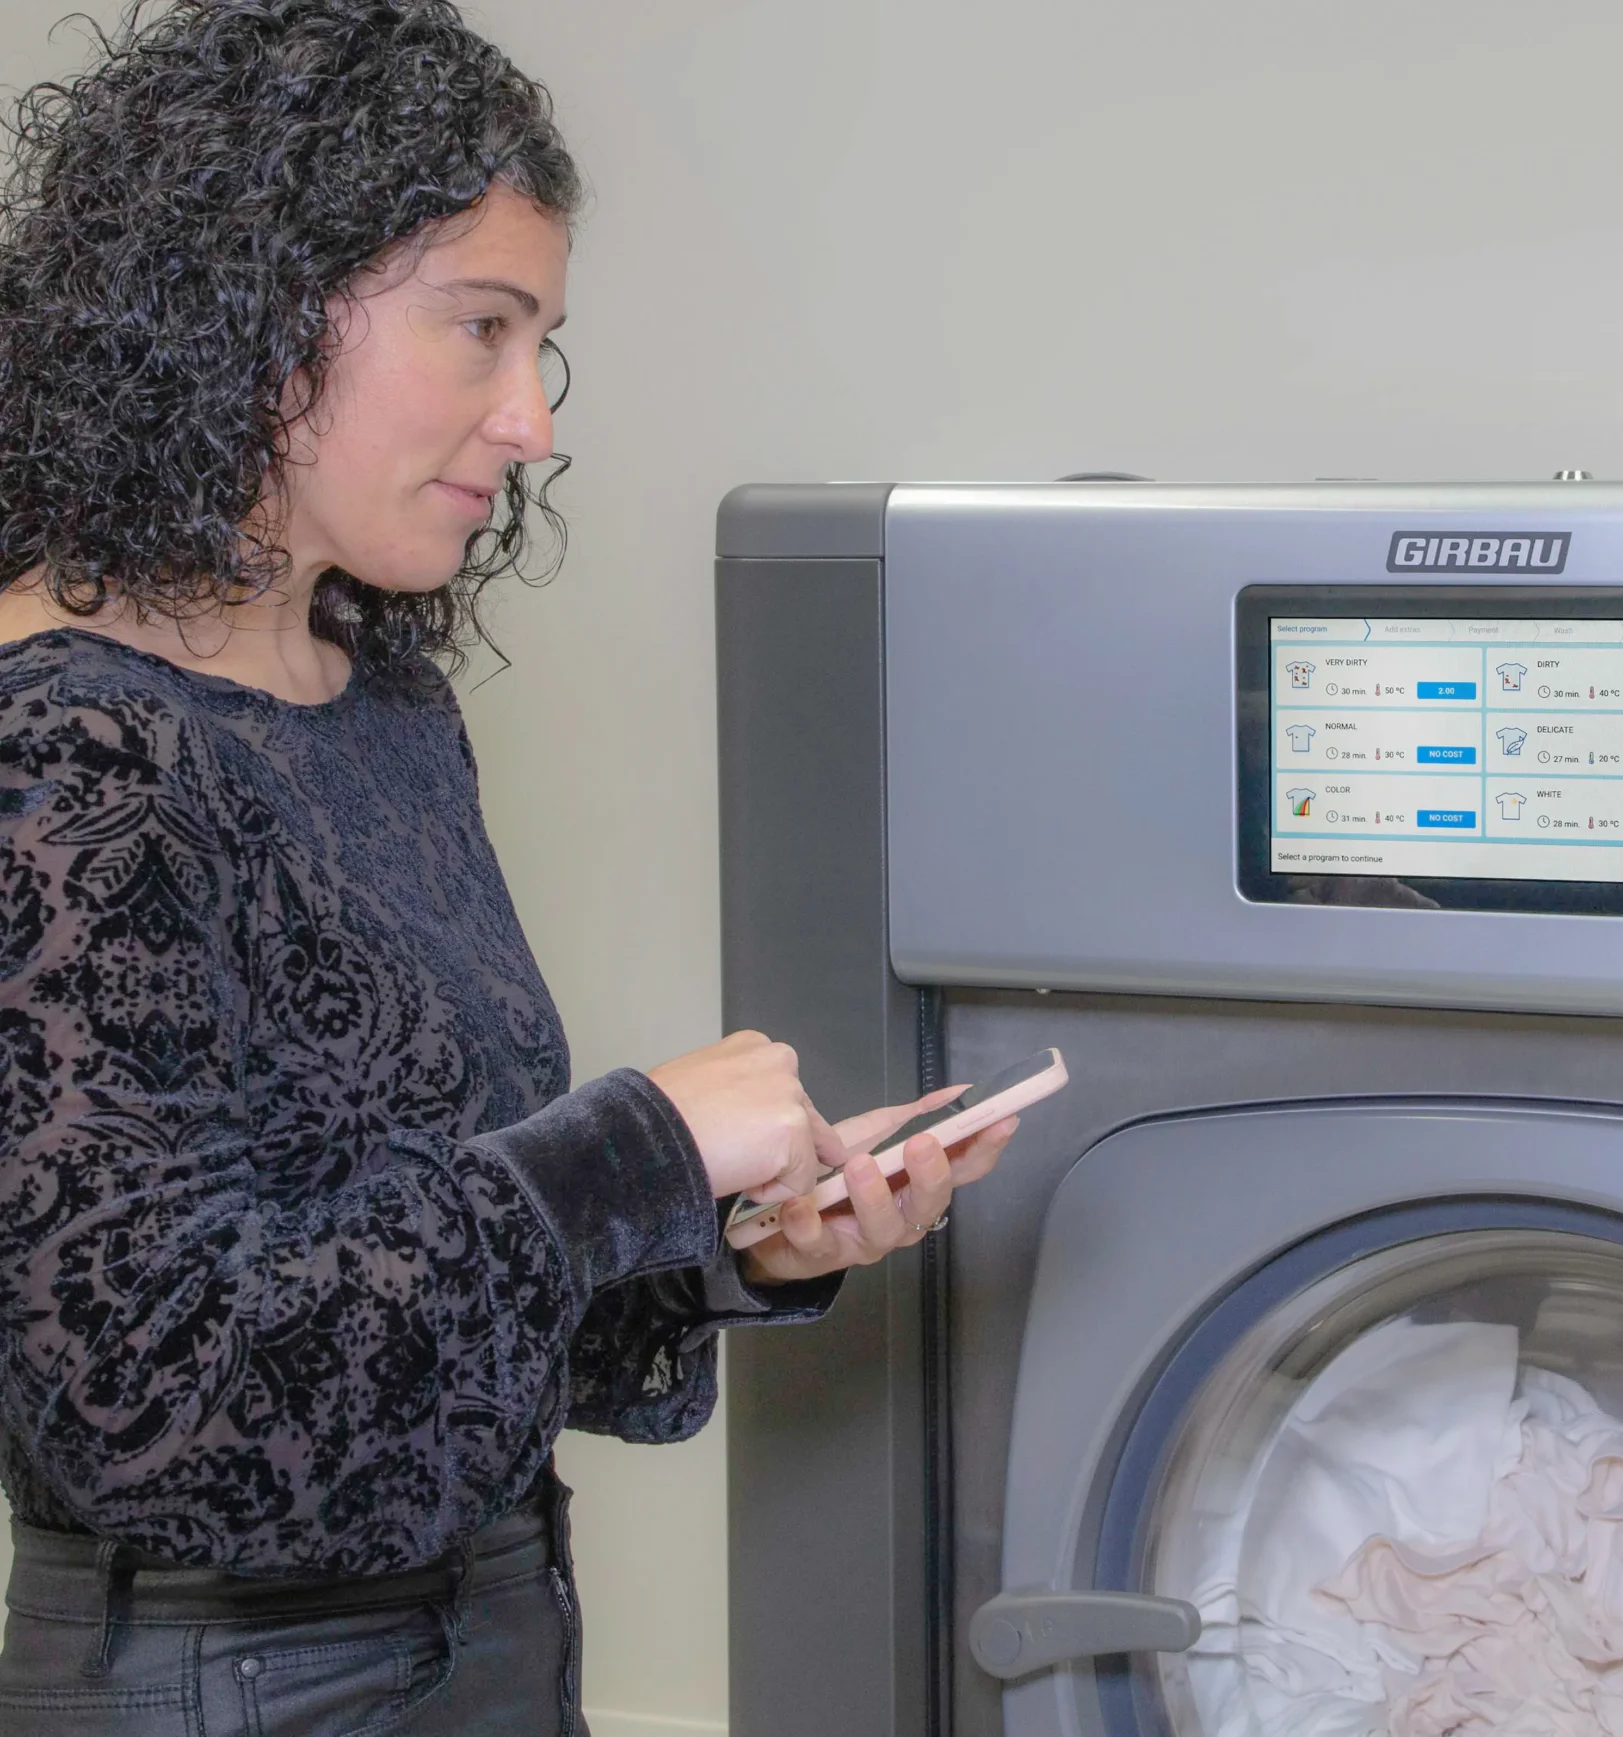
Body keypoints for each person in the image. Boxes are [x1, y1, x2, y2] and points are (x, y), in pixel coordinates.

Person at [0, 4, 1014, 1731]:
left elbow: (427, 1283)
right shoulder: (63, 751)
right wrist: (636, 1144)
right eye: (480, 330)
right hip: (226, 1686)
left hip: (481, 1634)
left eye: (539, 344)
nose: (530, 420)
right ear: (252, 305)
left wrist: (736, 1243)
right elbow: (155, 1409)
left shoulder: (376, 694)